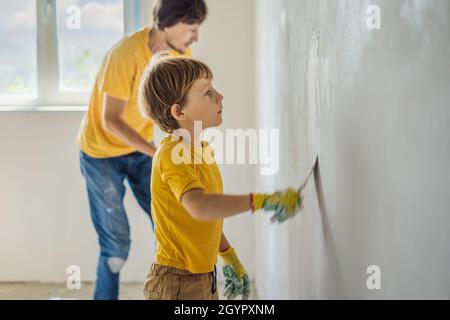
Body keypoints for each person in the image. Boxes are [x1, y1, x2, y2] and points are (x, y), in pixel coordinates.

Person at [138, 55, 303, 300]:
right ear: (178, 111)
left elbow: (205, 220)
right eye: (207, 92)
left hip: (202, 276)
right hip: (175, 284)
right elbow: (201, 207)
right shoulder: (172, 154)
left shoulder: (201, 149)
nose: (219, 96)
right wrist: (259, 201)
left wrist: (227, 254)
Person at [78, 0, 208, 300]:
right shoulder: (126, 54)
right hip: (101, 154)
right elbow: (111, 120)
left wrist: (189, 145)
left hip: (140, 150)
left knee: (173, 226)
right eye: (191, 28)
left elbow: (178, 109)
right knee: (116, 245)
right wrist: (156, 152)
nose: (195, 37)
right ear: (169, 23)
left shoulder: (180, 54)